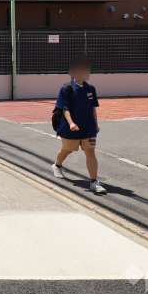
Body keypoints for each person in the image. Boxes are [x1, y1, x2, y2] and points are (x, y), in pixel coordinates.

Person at [51, 55, 106, 195]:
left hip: (88, 128)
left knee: (90, 152)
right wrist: (71, 123)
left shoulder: (91, 89)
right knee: (67, 149)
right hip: (71, 128)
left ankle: (94, 181)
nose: (88, 72)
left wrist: (96, 124)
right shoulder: (67, 89)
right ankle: (57, 165)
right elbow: (65, 108)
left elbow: (93, 108)